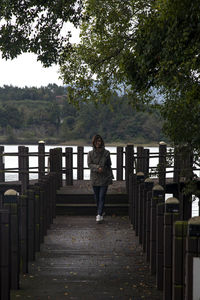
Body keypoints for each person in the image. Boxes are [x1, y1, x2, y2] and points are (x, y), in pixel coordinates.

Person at [87, 134, 113, 222]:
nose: (98, 143)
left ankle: (99, 214)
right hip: (95, 177)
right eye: (96, 141)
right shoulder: (90, 153)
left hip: (104, 177)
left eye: (99, 141)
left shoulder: (106, 153)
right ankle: (101, 212)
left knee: (102, 196)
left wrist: (104, 169)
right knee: (97, 197)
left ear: (101, 142)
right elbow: (89, 164)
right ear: (93, 143)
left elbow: (109, 164)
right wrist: (97, 167)